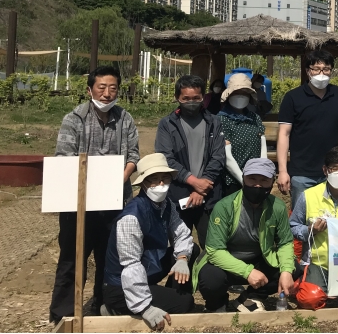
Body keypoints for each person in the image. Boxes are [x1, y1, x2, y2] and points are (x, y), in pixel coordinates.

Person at [49, 66, 140, 324]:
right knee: (72, 258)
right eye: (101, 87)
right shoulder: (74, 119)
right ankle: (62, 315)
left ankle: (102, 306)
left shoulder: (125, 119)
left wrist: (121, 177)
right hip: (78, 204)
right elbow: (64, 158)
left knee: (108, 258)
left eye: (113, 88)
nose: (107, 93)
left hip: (114, 201)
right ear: (90, 90)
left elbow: (133, 154)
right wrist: (90, 184)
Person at [102, 154, 196, 328]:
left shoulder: (166, 204)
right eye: (153, 180)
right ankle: (118, 308)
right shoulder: (131, 217)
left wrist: (182, 258)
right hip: (120, 286)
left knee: (192, 250)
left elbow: (181, 232)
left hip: (147, 268)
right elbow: (131, 265)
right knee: (186, 303)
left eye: (164, 178)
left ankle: (169, 296)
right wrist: (144, 307)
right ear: (143, 183)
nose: (160, 184)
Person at [195, 158, 297, 313]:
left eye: (264, 180)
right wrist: (247, 271)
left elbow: (285, 242)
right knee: (211, 279)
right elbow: (214, 250)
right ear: (243, 179)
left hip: (259, 259)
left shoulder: (278, 207)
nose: (257, 185)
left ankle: (250, 297)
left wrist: (287, 271)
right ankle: (217, 303)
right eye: (252, 179)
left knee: (294, 267)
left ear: (273, 182)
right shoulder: (224, 207)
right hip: (226, 262)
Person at [155, 75, 226, 249]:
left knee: (212, 248)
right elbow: (166, 158)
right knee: (181, 248)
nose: (191, 102)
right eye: (186, 98)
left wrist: (201, 189)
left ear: (203, 97)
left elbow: (218, 157)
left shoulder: (214, 122)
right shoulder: (167, 124)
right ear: (177, 98)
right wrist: (194, 182)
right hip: (179, 196)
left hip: (208, 197)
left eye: (196, 98)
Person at [277, 50, 338, 209]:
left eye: (326, 69)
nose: (321, 73)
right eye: (316, 69)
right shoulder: (293, 97)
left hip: (332, 170)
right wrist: (283, 171)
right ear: (307, 71)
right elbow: (284, 134)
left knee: (333, 215)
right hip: (301, 173)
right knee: (302, 218)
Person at [289, 146, 338, 293]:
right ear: (325, 170)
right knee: (311, 298)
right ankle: (304, 280)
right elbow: (293, 226)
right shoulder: (308, 196)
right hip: (318, 262)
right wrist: (310, 230)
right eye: (335, 168)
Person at [218, 73, 266, 196]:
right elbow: (226, 156)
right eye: (236, 93)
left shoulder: (255, 118)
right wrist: (243, 179)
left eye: (244, 94)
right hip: (232, 180)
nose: (240, 97)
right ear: (229, 95)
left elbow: (262, 143)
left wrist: (263, 171)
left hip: (256, 178)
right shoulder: (221, 119)